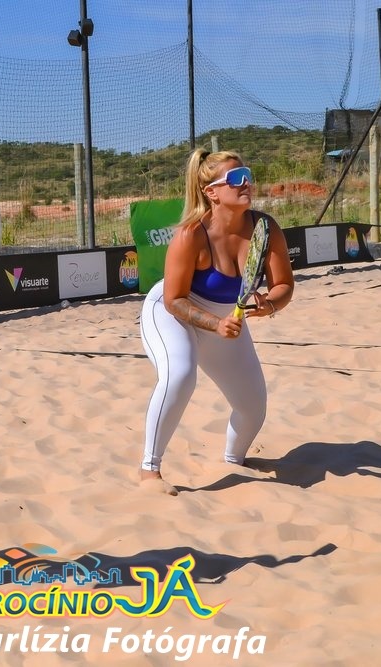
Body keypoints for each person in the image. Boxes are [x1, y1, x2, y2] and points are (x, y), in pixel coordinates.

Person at [138, 149, 294, 495]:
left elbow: (284, 285)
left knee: (252, 406)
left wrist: (269, 304)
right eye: (236, 178)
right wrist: (215, 324)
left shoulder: (266, 229)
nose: (246, 183)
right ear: (212, 192)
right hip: (171, 312)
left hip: (225, 318)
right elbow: (174, 300)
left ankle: (233, 462)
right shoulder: (191, 234)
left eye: (248, 175)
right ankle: (150, 471)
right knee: (180, 374)